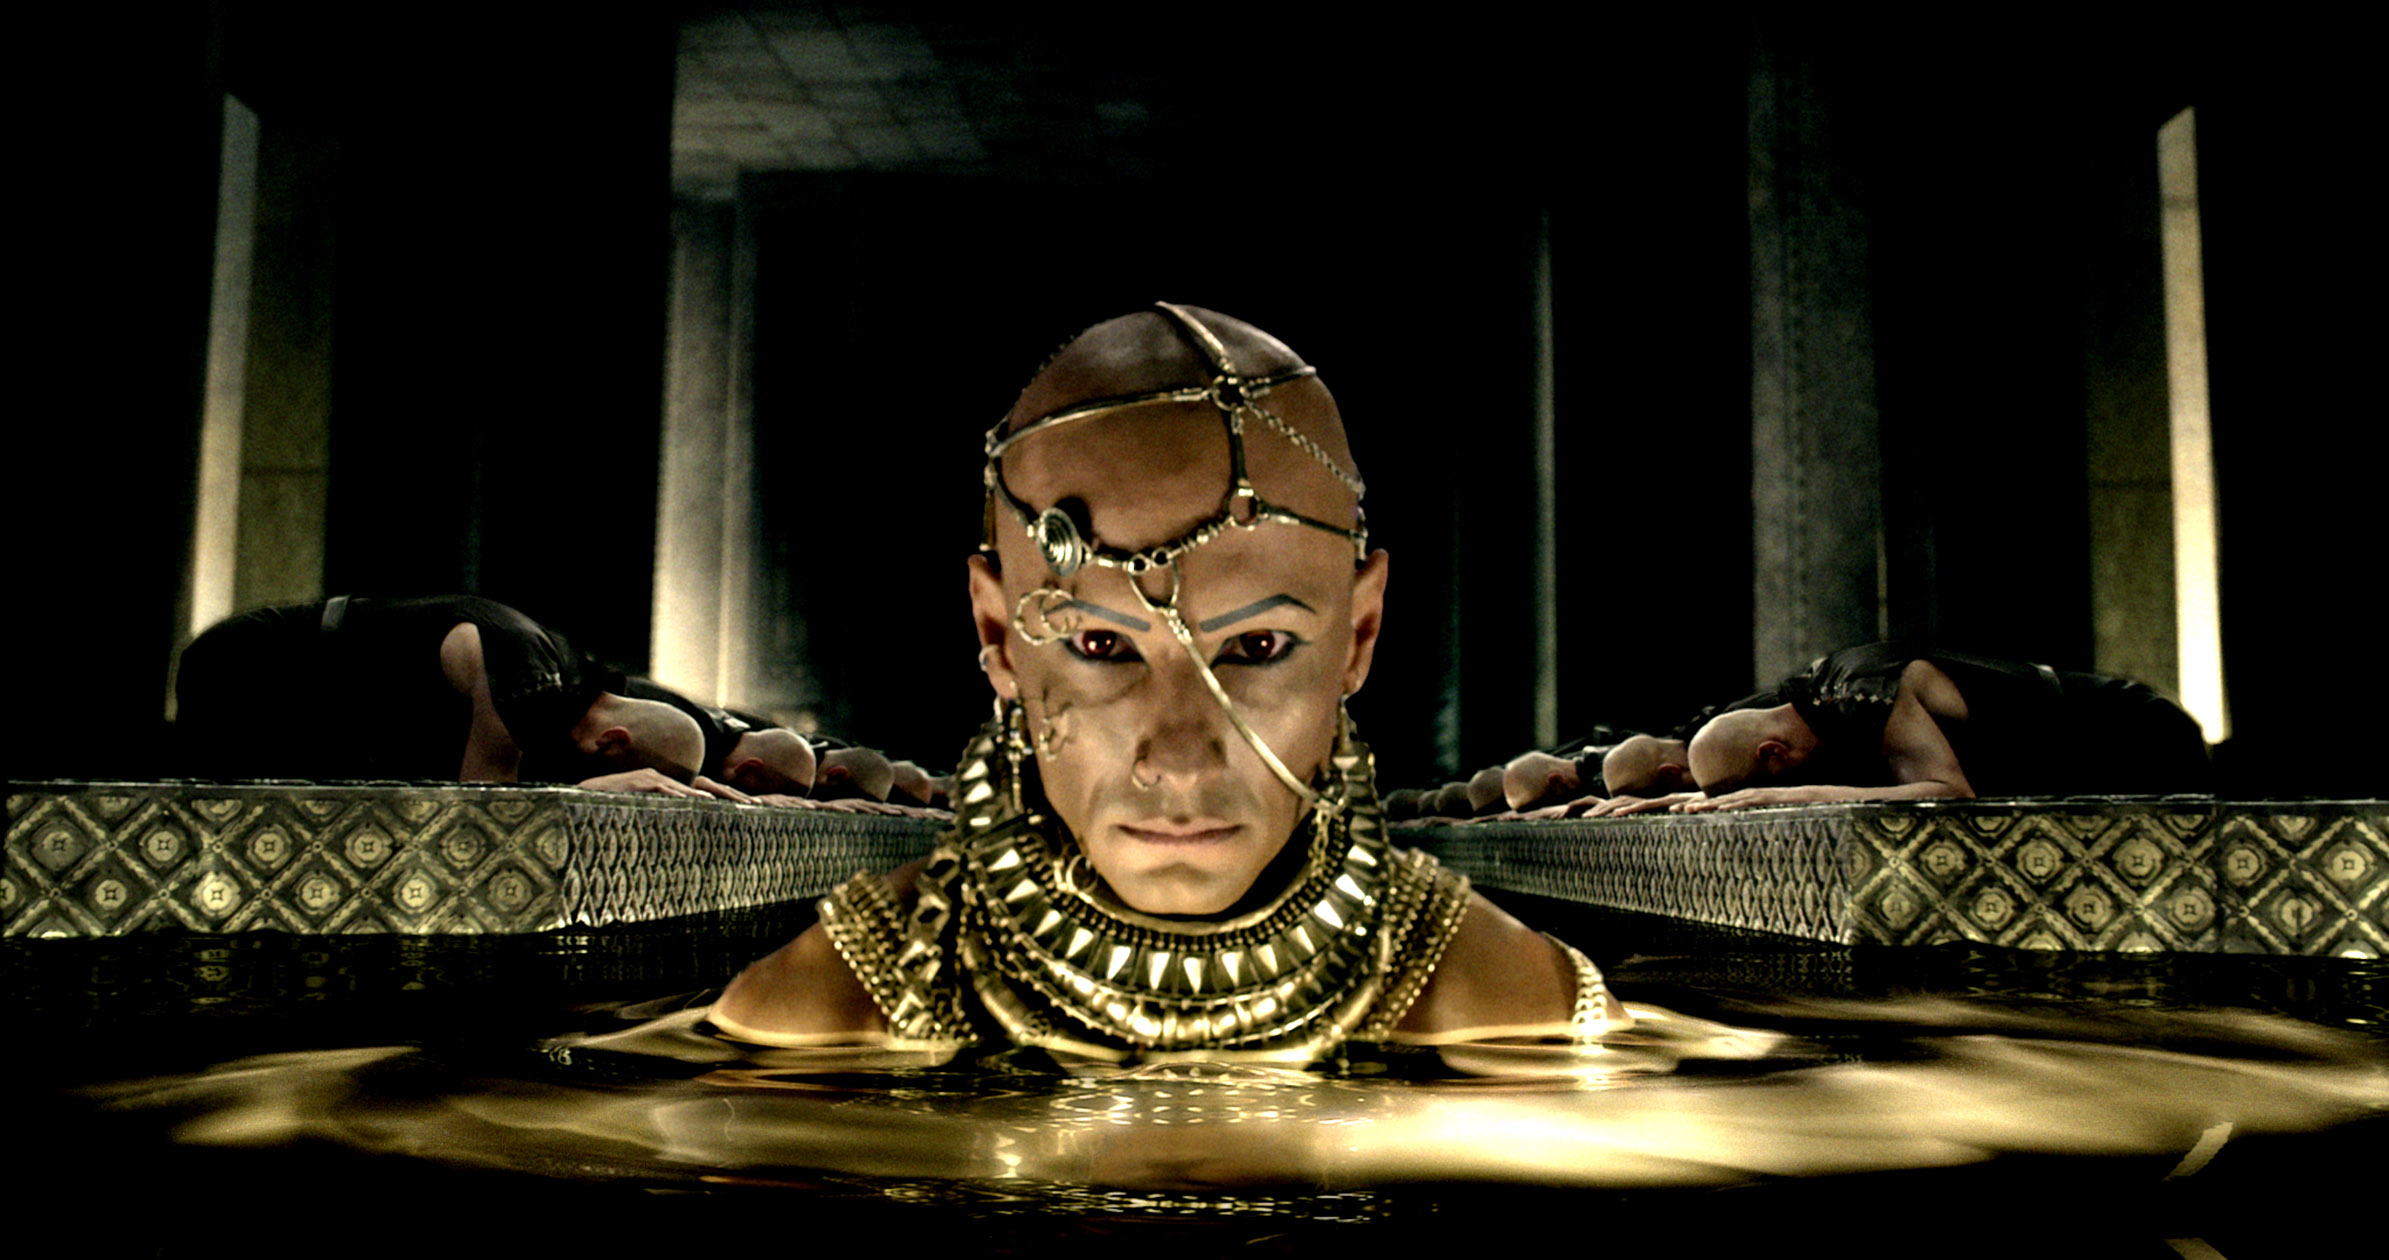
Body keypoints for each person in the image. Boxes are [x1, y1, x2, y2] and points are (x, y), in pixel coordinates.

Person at [711, 303, 1623, 1060]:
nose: (1180, 762)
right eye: (1102, 646)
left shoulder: (1515, 1007)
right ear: (998, 636)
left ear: (1358, 633)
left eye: (1257, 646)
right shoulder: (825, 1012)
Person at [177, 595, 738, 798]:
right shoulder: (531, 683)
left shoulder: (570, 686)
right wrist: (591, 789)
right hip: (252, 667)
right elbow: (480, 811)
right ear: (612, 740)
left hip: (305, 695)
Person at [1683, 641, 2210, 811]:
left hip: (2135, 735)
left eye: (1764, 785)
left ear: (1773, 753)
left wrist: (1790, 797)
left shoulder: (1858, 694)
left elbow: (1950, 793)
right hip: (2085, 757)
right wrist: (1685, 798)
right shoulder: (1812, 704)